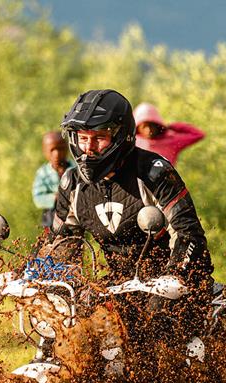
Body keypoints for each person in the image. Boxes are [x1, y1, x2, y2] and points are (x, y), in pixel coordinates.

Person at [48, 89, 213, 346]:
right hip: (120, 282)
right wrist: (34, 274)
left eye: (99, 138)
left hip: (179, 279)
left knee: (159, 336)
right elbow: (61, 243)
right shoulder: (72, 183)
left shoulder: (153, 172)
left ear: (120, 136)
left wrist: (174, 274)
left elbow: (188, 233)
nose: (88, 149)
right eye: (82, 138)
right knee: (82, 334)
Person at [133, 102, 204, 166]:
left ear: (157, 125)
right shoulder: (133, 141)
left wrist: (173, 126)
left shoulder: (171, 141)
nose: (148, 130)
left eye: (151, 125)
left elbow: (198, 134)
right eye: (144, 126)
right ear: (138, 127)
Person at [32, 131, 72, 229]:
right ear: (45, 151)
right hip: (51, 216)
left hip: (72, 213)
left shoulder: (75, 170)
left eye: (61, 149)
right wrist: (55, 197)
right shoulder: (43, 173)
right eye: (52, 150)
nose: (57, 154)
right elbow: (38, 198)